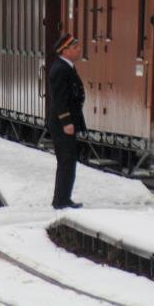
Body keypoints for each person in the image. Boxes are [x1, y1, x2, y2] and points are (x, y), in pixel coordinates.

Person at [47, 33, 86, 209]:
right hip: (63, 124)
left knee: (68, 161)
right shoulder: (61, 69)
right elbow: (60, 99)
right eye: (75, 47)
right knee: (66, 161)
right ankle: (61, 201)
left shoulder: (66, 67)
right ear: (65, 51)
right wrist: (66, 122)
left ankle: (63, 199)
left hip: (67, 122)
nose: (79, 50)